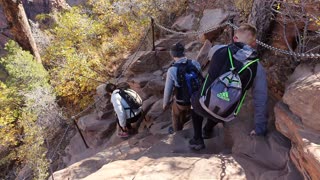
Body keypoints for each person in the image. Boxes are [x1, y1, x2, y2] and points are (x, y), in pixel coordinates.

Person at [189, 24, 268, 151]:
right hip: (227, 113)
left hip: (202, 104)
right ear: (253, 44)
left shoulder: (218, 50)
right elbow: (261, 99)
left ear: (234, 38)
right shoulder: (257, 67)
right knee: (223, 101)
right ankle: (208, 129)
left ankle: (197, 138)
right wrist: (260, 129)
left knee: (196, 99)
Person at [163, 43, 202, 132]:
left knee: (175, 112)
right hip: (197, 99)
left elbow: (168, 90)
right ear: (184, 53)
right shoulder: (195, 63)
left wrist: (165, 104)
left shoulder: (172, 70)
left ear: (172, 54)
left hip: (182, 102)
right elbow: (200, 78)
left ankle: (176, 131)